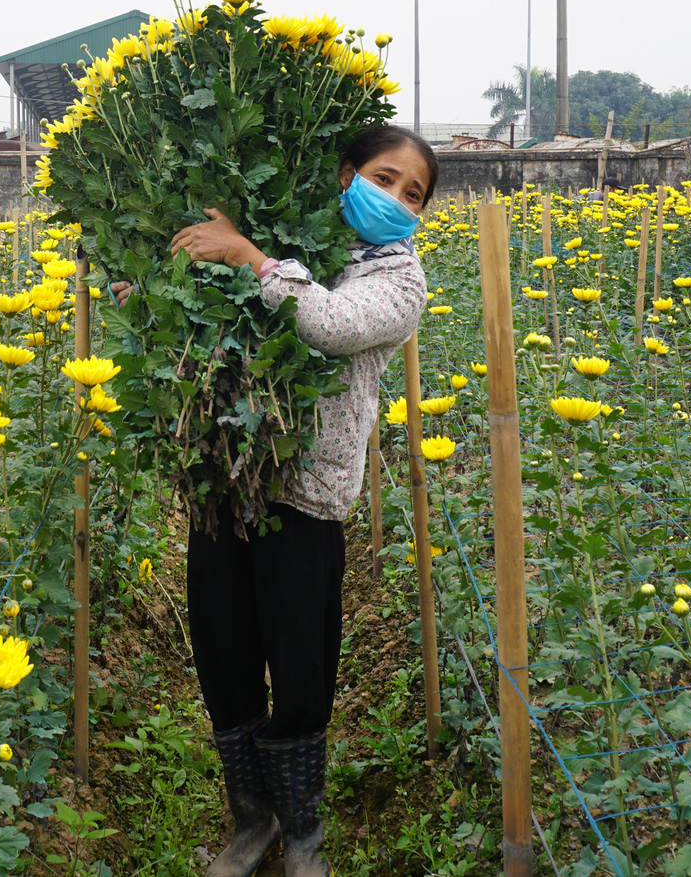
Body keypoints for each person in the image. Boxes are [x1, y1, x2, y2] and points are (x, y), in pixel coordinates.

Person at [117, 124, 435, 877]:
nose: (393, 199)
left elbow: (324, 324)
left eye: (412, 193)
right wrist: (149, 287)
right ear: (346, 173)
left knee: (299, 670)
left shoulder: (397, 281)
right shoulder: (289, 235)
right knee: (224, 655)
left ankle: (302, 835)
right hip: (224, 479)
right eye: (383, 178)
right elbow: (194, 317)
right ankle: (250, 823)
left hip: (307, 494)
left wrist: (250, 256)